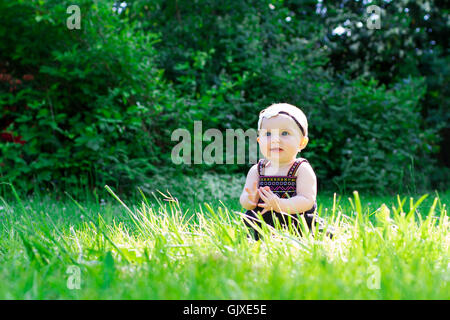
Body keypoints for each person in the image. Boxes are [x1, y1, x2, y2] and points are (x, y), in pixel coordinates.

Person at [239, 103, 331, 240]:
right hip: (263, 225)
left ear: (302, 143)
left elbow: (307, 200)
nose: (275, 139)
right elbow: (245, 201)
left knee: (316, 235)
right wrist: (249, 199)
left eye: (285, 133)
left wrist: (280, 205)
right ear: (259, 141)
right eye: (268, 134)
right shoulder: (257, 170)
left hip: (296, 224)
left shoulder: (301, 169)